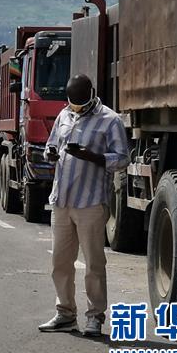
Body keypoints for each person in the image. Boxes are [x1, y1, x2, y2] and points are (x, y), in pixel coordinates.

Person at [38, 74, 129, 338]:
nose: (76, 108)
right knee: (60, 261)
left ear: (92, 93)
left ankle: (95, 317)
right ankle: (65, 314)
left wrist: (92, 156)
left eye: (80, 103)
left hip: (90, 202)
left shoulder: (109, 120)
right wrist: (50, 153)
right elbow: (51, 145)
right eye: (72, 103)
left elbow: (122, 158)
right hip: (62, 200)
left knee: (93, 263)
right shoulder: (64, 115)